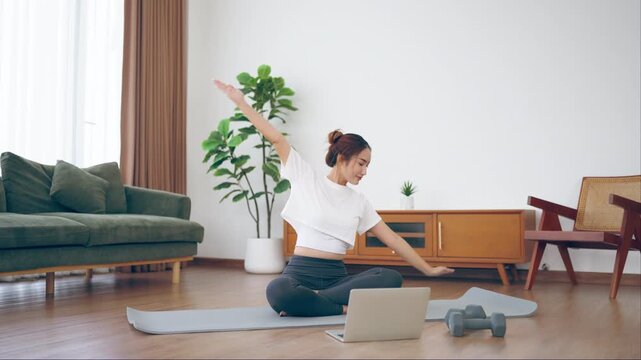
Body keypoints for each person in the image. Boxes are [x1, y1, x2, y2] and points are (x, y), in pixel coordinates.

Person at [214, 79, 454, 317]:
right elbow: (277, 139)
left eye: (367, 165)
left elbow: (392, 238)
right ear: (342, 157)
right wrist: (240, 102)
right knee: (278, 290)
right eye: (361, 163)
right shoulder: (306, 178)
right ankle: (335, 307)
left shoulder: (358, 201)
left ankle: (311, 303)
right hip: (299, 275)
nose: (364, 171)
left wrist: (428, 270)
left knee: (390, 277)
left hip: (337, 280)